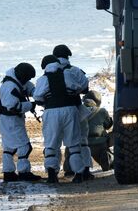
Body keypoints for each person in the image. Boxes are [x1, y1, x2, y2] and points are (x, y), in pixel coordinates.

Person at [33, 55, 86, 183]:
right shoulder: (67, 74)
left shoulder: (42, 79)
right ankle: (79, 174)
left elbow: (37, 96)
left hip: (51, 111)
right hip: (70, 109)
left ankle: (52, 174)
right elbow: (78, 88)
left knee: (51, 144)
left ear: (44, 66)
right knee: (73, 143)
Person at [52, 44, 93, 180]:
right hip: (75, 108)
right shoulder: (75, 71)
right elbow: (86, 89)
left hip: (53, 112)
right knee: (81, 141)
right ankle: (84, 170)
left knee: (54, 142)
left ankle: (53, 173)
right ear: (68, 55)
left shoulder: (49, 73)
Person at [0, 63, 42, 182]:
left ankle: (8, 173)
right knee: (25, 147)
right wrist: (30, 105)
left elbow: (31, 89)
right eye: (27, 78)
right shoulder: (10, 86)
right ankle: (24, 172)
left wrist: (38, 94)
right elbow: (12, 107)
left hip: (6, 120)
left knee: (9, 148)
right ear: (22, 75)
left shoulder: (17, 81)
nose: (28, 80)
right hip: (11, 119)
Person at [82, 91, 114, 171]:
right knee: (111, 136)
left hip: (82, 143)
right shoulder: (101, 111)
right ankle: (108, 158)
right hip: (99, 142)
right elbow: (108, 125)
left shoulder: (77, 110)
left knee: (72, 152)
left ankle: (69, 169)